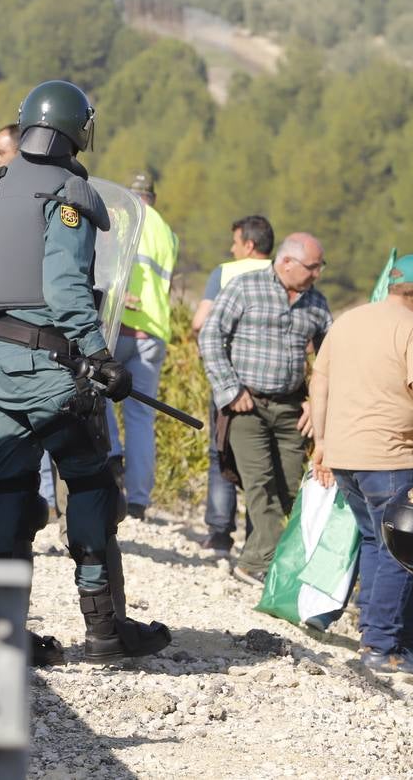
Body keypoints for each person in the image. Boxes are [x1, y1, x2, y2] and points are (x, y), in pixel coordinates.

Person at [0, 79, 170, 665]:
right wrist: (99, 355)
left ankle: (6, 634)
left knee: (9, 490)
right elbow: (64, 289)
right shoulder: (68, 193)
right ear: (78, 129)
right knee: (89, 485)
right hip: (53, 366)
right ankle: (106, 630)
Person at [310, 254, 413, 677]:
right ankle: (380, 646)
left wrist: (322, 442)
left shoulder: (347, 320)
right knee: (406, 554)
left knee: (374, 542)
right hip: (390, 457)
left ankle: (403, 647)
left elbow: (320, 380)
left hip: (345, 457)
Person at [199, 232, 331, 585]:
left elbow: (331, 357)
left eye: (321, 267)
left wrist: (316, 401)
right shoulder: (246, 287)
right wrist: (229, 389)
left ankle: (252, 560)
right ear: (286, 262)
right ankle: (261, 565)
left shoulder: (317, 303)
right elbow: (210, 335)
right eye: (312, 267)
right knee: (260, 485)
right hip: (246, 406)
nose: (317, 274)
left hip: (291, 409)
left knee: (287, 488)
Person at [193, 215, 274, 556]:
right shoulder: (286, 274)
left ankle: (220, 533)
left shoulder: (225, 273)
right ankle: (259, 540)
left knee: (219, 453)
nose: (232, 248)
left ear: (249, 245)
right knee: (265, 464)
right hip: (273, 386)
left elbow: (200, 322)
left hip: (229, 380)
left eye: (236, 242)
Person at [109, 174, 178, 520]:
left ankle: (111, 458)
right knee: (141, 417)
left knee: (96, 399)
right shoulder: (167, 231)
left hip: (121, 323)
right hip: (154, 331)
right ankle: (138, 500)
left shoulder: (123, 216)